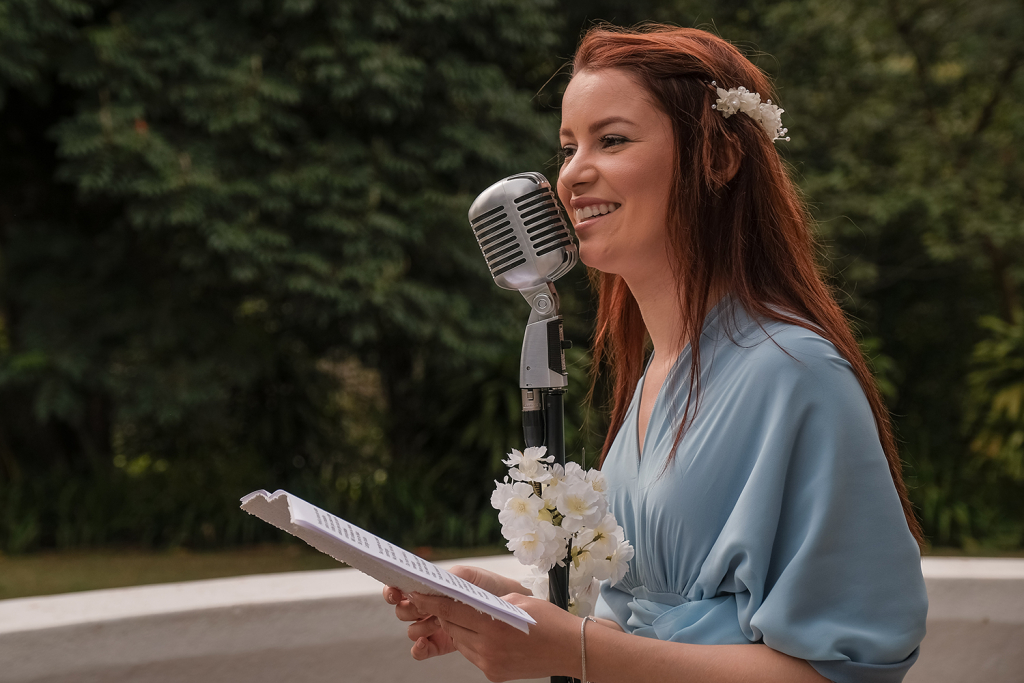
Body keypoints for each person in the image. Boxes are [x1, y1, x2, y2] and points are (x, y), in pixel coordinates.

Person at [382, 25, 928, 683]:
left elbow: (843, 671)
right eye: (567, 146)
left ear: (719, 159)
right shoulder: (656, 375)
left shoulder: (796, 375)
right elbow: (653, 621)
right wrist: (514, 613)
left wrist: (575, 650)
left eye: (611, 140)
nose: (574, 171)